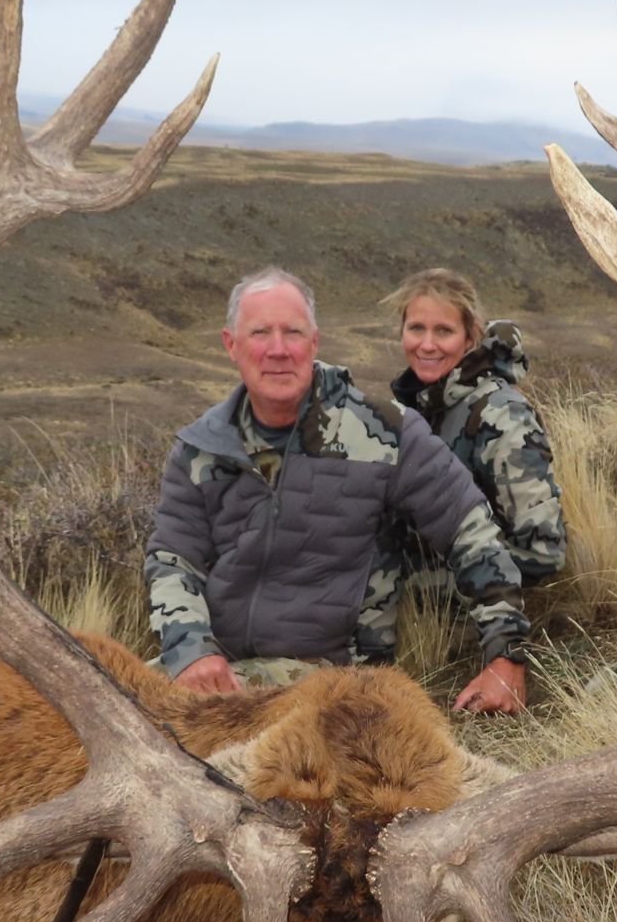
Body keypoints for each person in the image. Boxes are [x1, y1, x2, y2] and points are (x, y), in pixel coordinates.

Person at [145, 266, 530, 713]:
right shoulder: (200, 446)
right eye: (260, 333)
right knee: (110, 702)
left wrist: (506, 656)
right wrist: (192, 649)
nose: (277, 350)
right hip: (216, 667)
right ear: (231, 345)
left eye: (292, 333)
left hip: (332, 675)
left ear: (314, 343)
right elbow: (173, 560)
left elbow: (471, 532)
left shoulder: (385, 431)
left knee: (159, 723)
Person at [385, 267, 565, 586]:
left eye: (444, 331)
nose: (427, 345)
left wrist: (405, 582)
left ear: (470, 337)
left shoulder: (502, 416)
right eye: (416, 328)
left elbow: (542, 556)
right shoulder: (417, 406)